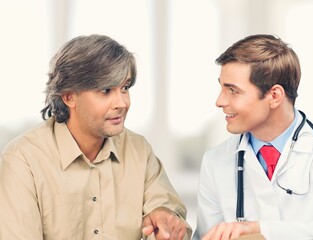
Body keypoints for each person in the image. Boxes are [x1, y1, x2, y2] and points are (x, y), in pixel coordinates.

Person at [0, 34, 192, 240]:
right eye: (105, 90)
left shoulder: (139, 150)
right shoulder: (23, 160)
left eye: (125, 88)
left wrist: (167, 220)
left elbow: (169, 212)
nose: (121, 103)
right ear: (69, 97)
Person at [192, 34, 313, 240]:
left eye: (233, 91)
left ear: (274, 96)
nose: (219, 101)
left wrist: (259, 229)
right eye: (221, 87)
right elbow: (207, 237)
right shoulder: (215, 161)